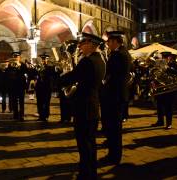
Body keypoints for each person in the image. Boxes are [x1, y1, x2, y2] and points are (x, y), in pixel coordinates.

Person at [65, 32, 105, 180]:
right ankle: (90, 171)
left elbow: (74, 75)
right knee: (90, 142)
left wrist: (60, 78)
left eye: (83, 43)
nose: (80, 46)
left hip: (84, 107)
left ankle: (86, 174)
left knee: (84, 143)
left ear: (91, 44)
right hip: (92, 106)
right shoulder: (100, 60)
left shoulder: (87, 61)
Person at [101, 31, 132, 165]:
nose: (107, 44)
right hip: (117, 95)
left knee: (114, 128)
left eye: (109, 42)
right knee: (114, 127)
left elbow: (112, 75)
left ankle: (114, 156)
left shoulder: (118, 55)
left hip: (115, 95)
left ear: (115, 42)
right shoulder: (122, 53)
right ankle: (113, 152)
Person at [151, 52, 177, 129]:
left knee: (168, 107)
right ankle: (160, 121)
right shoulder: (158, 65)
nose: (165, 59)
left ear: (169, 58)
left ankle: (169, 123)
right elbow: (155, 74)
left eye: (166, 57)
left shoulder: (174, 65)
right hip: (160, 88)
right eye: (164, 57)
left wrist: (167, 68)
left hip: (170, 89)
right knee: (159, 106)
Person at [6, 52, 27, 121]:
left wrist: (19, 67)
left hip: (20, 85)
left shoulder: (23, 65)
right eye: (14, 57)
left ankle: (21, 115)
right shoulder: (10, 65)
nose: (16, 58)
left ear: (19, 58)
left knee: (21, 102)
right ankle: (15, 115)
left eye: (17, 57)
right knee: (14, 101)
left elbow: (25, 72)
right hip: (13, 85)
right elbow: (7, 73)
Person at [35, 54, 54, 122]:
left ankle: (46, 116)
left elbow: (51, 76)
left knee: (46, 102)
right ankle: (40, 115)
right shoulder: (38, 67)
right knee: (39, 102)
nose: (44, 61)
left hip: (47, 87)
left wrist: (44, 70)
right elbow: (34, 74)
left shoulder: (50, 67)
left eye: (45, 59)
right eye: (43, 59)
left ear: (47, 60)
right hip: (39, 87)